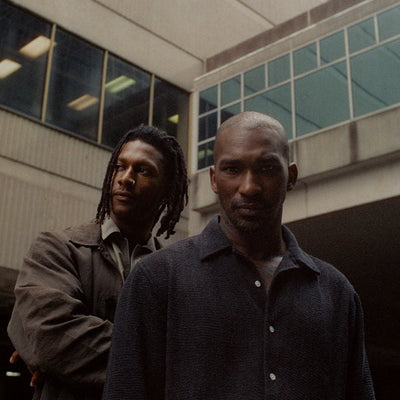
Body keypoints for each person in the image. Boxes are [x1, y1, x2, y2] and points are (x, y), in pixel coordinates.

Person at [103, 111, 375, 400]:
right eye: (232, 169)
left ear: (291, 176)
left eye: (267, 168)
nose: (249, 187)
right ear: (214, 179)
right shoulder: (156, 280)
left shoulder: (336, 292)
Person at [7, 124, 188, 400]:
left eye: (142, 170)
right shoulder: (58, 248)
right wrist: (166, 357)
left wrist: (73, 363)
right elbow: (54, 341)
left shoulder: (178, 274)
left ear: (166, 190)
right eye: (120, 167)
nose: (126, 178)